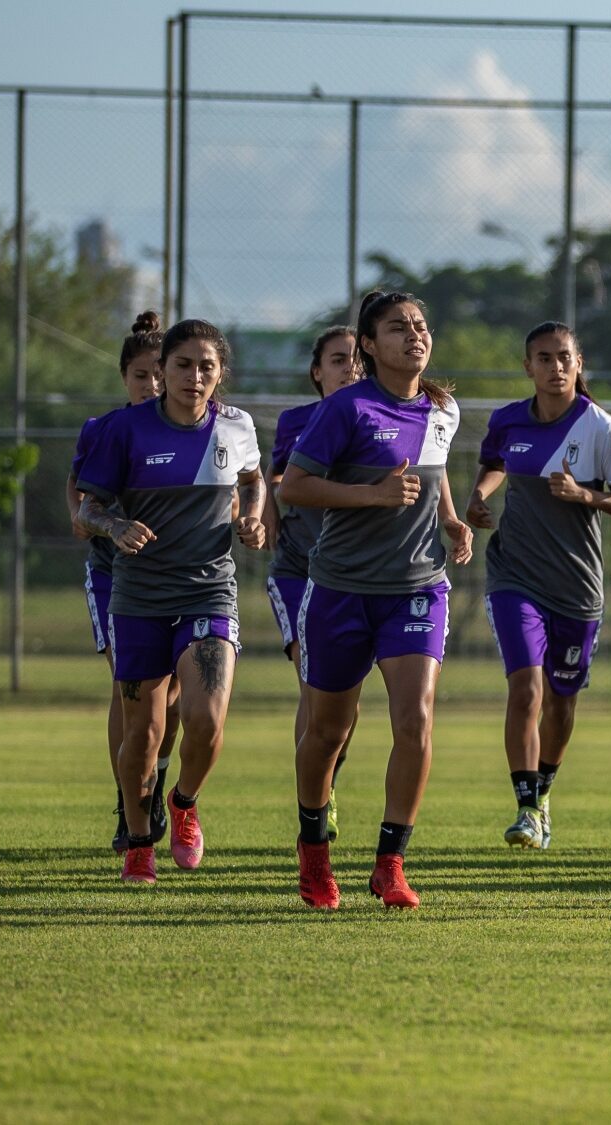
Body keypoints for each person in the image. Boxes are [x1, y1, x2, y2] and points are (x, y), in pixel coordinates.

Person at [280, 290, 473, 910]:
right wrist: (372, 495)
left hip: (417, 588)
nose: (414, 335)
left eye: (420, 325)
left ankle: (391, 863)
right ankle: (314, 852)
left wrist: (449, 520)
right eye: (397, 327)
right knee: (327, 730)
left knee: (415, 719)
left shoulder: (444, 408)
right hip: (340, 589)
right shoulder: (347, 408)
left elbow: (430, 476)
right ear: (368, 344)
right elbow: (295, 487)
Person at [75, 318, 267, 884]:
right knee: (145, 733)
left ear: (220, 373)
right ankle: (139, 842)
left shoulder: (236, 428)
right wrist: (114, 526)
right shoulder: (125, 430)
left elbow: (255, 479)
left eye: (207, 366)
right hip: (139, 601)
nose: (195, 375)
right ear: (164, 372)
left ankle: (183, 802)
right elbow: (87, 511)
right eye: (183, 364)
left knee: (206, 720)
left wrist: (253, 516)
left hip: (209, 590)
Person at [466, 321, 611, 851]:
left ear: (578, 364)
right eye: (543, 358)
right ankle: (524, 805)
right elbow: (493, 463)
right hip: (514, 576)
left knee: (561, 702)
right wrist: (479, 495)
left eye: (564, 357)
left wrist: (585, 497)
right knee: (527, 688)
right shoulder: (508, 421)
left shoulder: (605, 429)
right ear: (528, 366)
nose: (555, 367)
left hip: (577, 588)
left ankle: (543, 794)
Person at [68, 311, 181, 854]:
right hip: (116, 576)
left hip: (180, 580)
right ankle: (128, 800)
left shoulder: (195, 427)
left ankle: (155, 780)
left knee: (175, 695)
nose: (152, 384)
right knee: (130, 685)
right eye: (142, 375)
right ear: (124, 378)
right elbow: (80, 492)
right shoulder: (104, 429)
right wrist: (91, 520)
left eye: (161, 373)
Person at [264, 325, 364, 843]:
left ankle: (325, 789)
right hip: (300, 571)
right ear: (317, 370)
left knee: (341, 711)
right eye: (338, 359)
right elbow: (281, 479)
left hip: (357, 576)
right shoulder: (298, 421)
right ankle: (314, 814)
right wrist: (267, 511)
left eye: (355, 360)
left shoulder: (377, 420)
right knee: (313, 683)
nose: (350, 368)